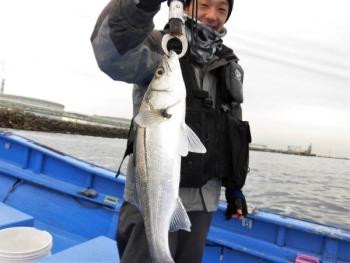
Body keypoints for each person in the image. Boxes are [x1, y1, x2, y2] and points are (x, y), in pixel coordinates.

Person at [91, 0, 251, 262]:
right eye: (205, 4)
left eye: (222, 9)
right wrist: (141, 4)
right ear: (183, 7)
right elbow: (112, 55)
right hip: (150, 195)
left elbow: (232, 132)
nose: (213, 16)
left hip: (204, 201)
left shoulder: (228, 65)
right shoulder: (158, 46)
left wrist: (235, 187)